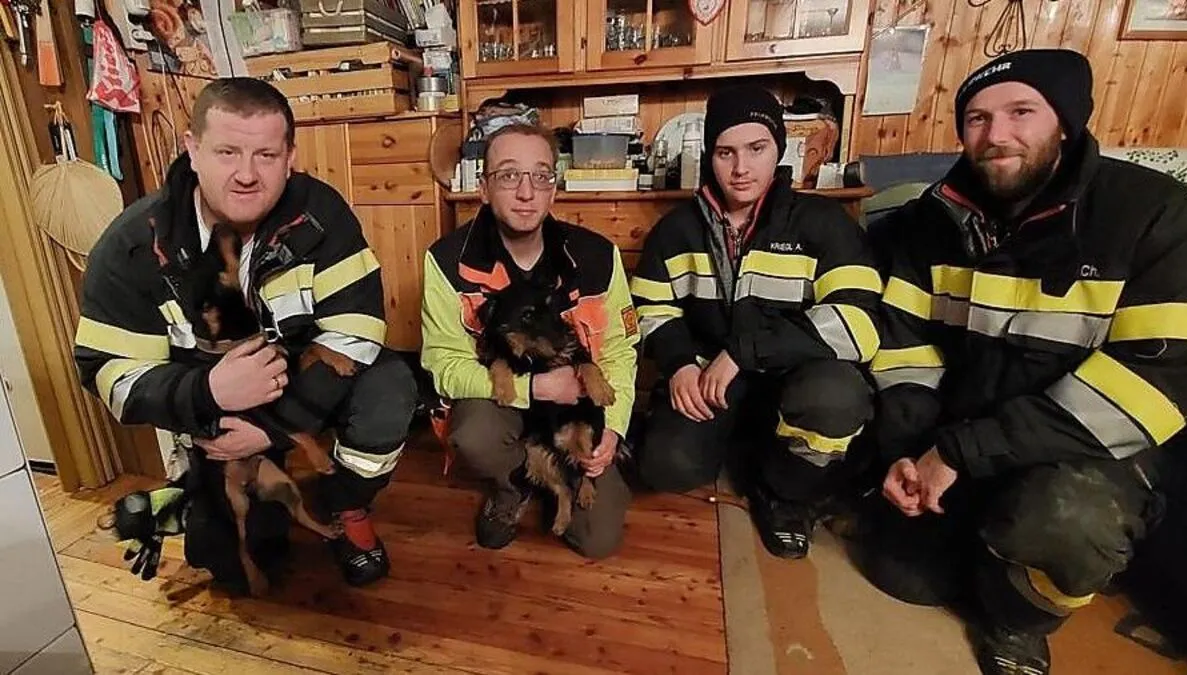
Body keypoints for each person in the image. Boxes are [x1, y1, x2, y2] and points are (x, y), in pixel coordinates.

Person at [861, 49, 1187, 675]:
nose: (997, 135)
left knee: (1066, 524)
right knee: (901, 577)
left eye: (1022, 112)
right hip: (958, 434)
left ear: (1065, 123)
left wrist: (958, 454)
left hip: (1087, 451)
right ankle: (977, 542)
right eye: (978, 119)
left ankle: (1020, 621)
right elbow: (903, 345)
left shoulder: (1155, 215)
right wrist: (907, 451)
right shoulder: (928, 221)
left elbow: (1145, 390)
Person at [74, 78, 417, 588]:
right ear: (193, 150)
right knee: (237, 573)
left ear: (290, 157)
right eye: (227, 152)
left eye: (266, 155)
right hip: (214, 411)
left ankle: (347, 505)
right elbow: (111, 374)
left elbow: (355, 330)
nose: (247, 174)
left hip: (307, 391)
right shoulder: (132, 249)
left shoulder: (322, 215)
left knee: (391, 386)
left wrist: (274, 429)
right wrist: (207, 393)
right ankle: (188, 497)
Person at [630, 85, 881, 559]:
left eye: (756, 149)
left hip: (798, 380)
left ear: (778, 150)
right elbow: (648, 307)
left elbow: (858, 324)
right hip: (709, 380)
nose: (741, 168)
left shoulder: (824, 223)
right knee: (664, 466)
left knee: (836, 399)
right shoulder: (676, 229)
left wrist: (745, 352)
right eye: (725, 152)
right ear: (710, 156)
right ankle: (736, 447)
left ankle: (784, 494)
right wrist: (678, 363)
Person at [420, 123, 639, 558]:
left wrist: (613, 429)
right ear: (483, 188)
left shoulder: (597, 255)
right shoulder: (446, 261)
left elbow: (620, 349)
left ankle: (553, 473)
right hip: (502, 407)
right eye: (508, 175)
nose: (526, 192)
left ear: (553, 190)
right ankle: (513, 485)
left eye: (540, 176)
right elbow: (444, 366)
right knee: (474, 435)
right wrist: (535, 387)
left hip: (575, 413)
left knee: (596, 539)